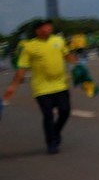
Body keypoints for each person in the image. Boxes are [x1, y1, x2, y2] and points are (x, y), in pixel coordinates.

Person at [3, 19, 76, 154]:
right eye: (45, 27)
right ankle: (51, 143)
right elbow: (22, 68)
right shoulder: (29, 46)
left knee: (65, 111)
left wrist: (80, 69)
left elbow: (68, 56)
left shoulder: (58, 40)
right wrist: (13, 86)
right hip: (41, 88)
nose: (49, 28)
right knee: (48, 115)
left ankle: (56, 131)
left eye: (50, 26)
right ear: (38, 31)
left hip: (61, 85)